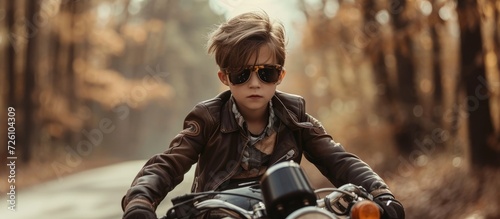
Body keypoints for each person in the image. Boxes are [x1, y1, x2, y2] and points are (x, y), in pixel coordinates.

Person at [121, 11, 405, 219]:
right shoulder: (207, 118)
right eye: (242, 73)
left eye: (266, 73)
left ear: (280, 75)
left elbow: (339, 160)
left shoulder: (296, 116)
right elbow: (167, 164)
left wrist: (380, 193)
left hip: (287, 208)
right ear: (224, 77)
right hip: (219, 212)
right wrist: (140, 200)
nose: (254, 83)